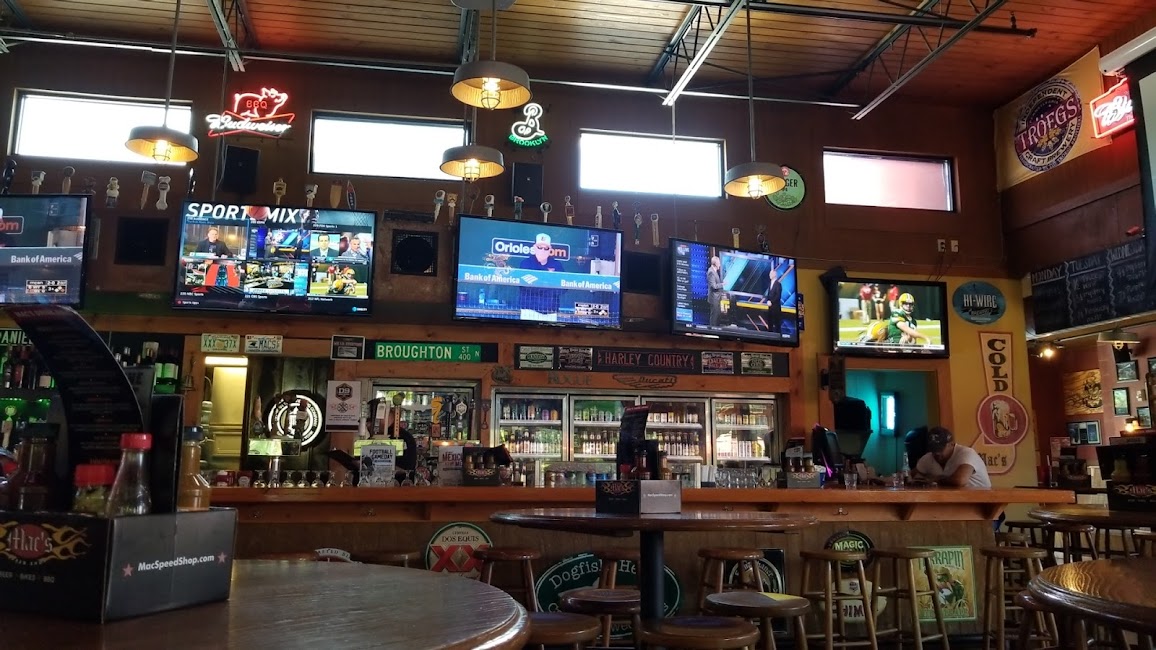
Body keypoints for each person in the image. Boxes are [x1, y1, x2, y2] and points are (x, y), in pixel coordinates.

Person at [911, 427, 991, 488]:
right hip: (958, 501)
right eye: (933, 449)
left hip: (985, 501)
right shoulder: (928, 458)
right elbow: (911, 475)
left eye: (940, 448)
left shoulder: (966, 453)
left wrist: (935, 479)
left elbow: (960, 481)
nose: (936, 453)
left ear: (951, 444)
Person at [518, 233, 564, 320]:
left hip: (551, 312)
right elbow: (526, 286)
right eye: (539, 247)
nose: (542, 250)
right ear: (534, 247)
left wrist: (540, 284)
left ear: (550, 249)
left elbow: (563, 288)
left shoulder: (557, 265)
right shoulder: (526, 263)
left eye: (546, 248)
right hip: (529, 311)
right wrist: (549, 284)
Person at [760, 267, 782, 333]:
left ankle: (778, 336)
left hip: (776, 307)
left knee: (777, 323)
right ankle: (770, 334)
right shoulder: (770, 283)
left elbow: (778, 296)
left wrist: (771, 302)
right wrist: (765, 297)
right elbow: (770, 295)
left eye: (771, 274)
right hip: (770, 307)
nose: (769, 275)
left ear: (774, 275)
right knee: (770, 322)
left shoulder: (778, 284)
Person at [707, 256, 725, 327]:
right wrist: (722, 284)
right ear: (716, 263)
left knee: (717, 316)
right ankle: (712, 330)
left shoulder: (714, 271)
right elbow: (714, 286)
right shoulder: (711, 272)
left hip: (717, 298)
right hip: (714, 299)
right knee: (714, 317)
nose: (720, 265)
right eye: (719, 263)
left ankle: (715, 328)